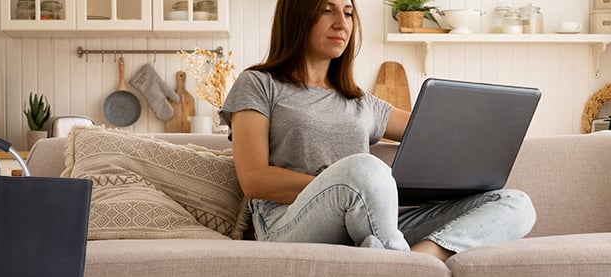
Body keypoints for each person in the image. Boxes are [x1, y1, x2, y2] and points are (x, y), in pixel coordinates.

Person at [217, 0, 536, 261]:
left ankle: (421, 257)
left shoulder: (360, 102)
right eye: (327, 10)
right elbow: (254, 179)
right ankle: (398, 265)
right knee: (366, 167)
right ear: (297, 16)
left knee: (516, 204)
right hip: (287, 223)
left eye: (348, 12)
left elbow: (436, 129)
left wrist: (490, 126)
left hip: (371, 219)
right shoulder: (258, 84)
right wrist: (344, 186)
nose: (341, 23)